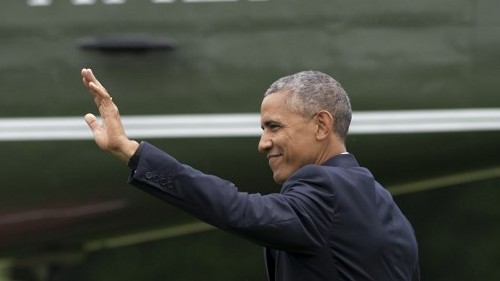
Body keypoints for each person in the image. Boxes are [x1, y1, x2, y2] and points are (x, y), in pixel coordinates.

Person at [82, 68, 420, 281]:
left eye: (274, 127)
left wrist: (129, 151)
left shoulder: (323, 186)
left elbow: (237, 209)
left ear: (321, 125)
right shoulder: (385, 205)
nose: (263, 143)